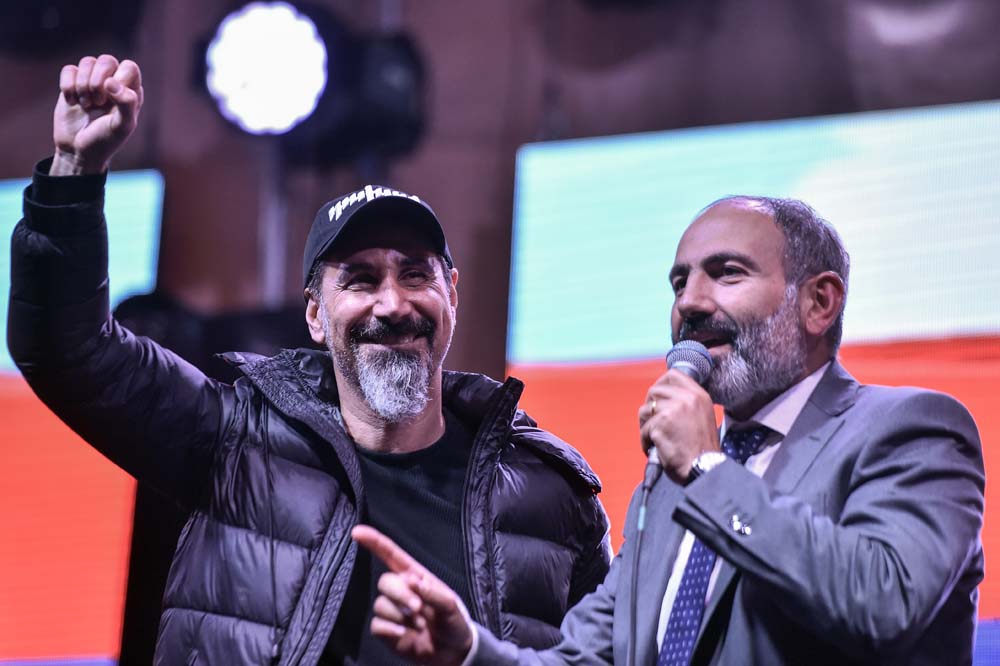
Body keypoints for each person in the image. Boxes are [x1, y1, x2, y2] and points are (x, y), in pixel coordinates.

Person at [7, 55, 611, 665]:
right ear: (316, 316)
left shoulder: (552, 493)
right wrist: (75, 175)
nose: (393, 303)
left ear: (452, 293)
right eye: (360, 279)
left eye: (415, 273)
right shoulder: (235, 439)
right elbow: (69, 349)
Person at [354, 195, 986, 665]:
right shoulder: (672, 481)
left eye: (728, 273)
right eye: (680, 282)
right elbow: (584, 660)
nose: (689, 302)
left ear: (819, 302)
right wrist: (468, 650)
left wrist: (710, 475)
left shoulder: (910, 429)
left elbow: (884, 603)